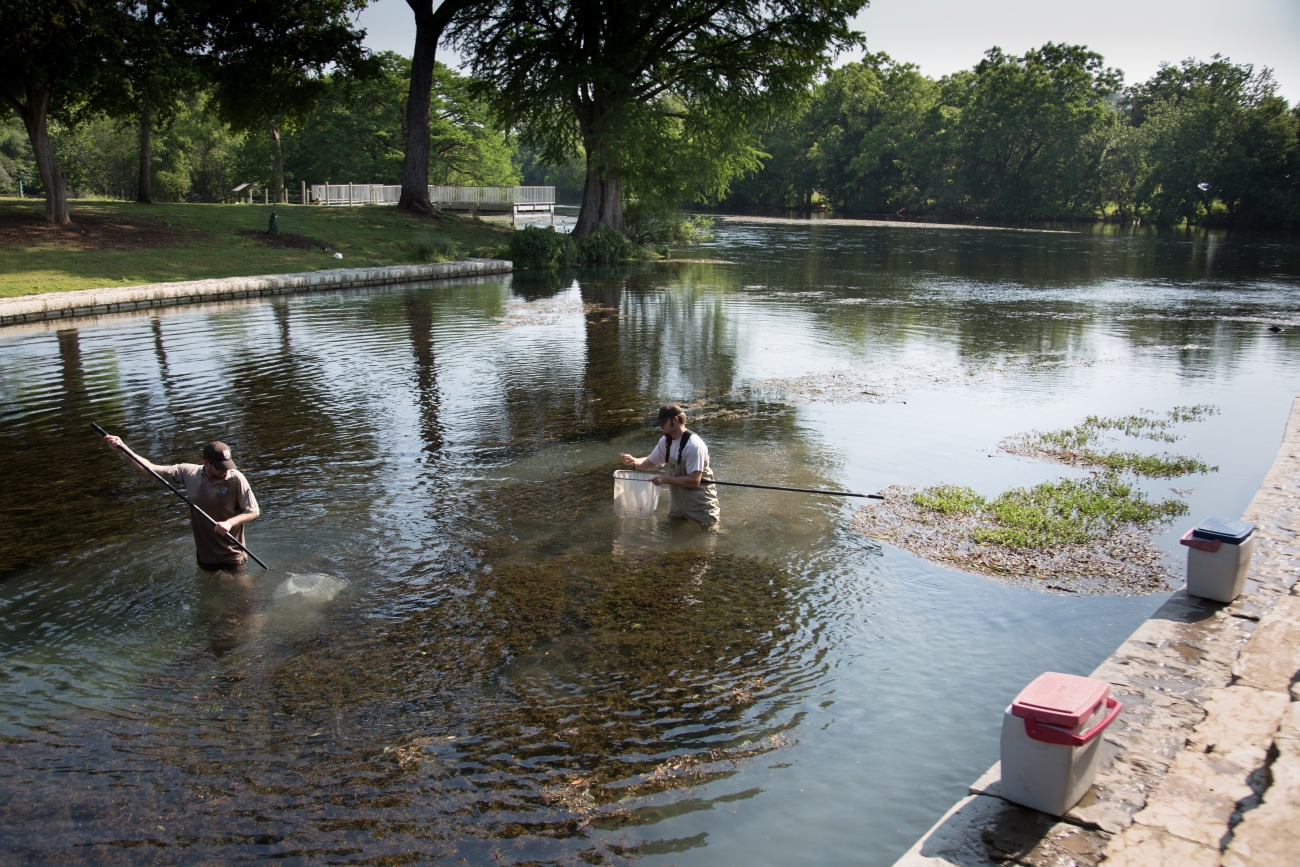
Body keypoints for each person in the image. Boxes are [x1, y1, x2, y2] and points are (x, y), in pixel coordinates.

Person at [102, 435, 260, 570]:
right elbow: (147, 469)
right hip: (205, 558)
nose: (225, 471)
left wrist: (229, 523)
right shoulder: (188, 472)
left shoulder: (236, 479)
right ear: (206, 463)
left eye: (227, 466)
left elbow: (253, 511)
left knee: (241, 596)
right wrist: (123, 449)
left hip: (233, 556)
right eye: (220, 467)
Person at [620, 403, 720, 526]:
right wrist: (634, 461)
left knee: (707, 537)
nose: (661, 427)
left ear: (675, 420)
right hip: (678, 509)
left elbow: (694, 481)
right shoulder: (665, 442)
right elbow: (649, 464)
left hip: (701, 508)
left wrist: (664, 479)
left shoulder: (694, 445)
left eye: (663, 423)